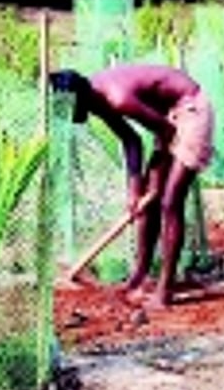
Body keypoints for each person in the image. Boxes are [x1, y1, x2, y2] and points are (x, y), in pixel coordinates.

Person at [50, 63, 214, 308]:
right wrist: (135, 191)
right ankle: (139, 277)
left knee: (170, 201)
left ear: (79, 98)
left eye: (69, 110)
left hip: (190, 109)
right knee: (147, 206)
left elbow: (167, 131)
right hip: (166, 114)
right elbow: (131, 140)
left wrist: (156, 182)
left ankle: (164, 290)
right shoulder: (96, 97)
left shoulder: (118, 98)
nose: (70, 117)